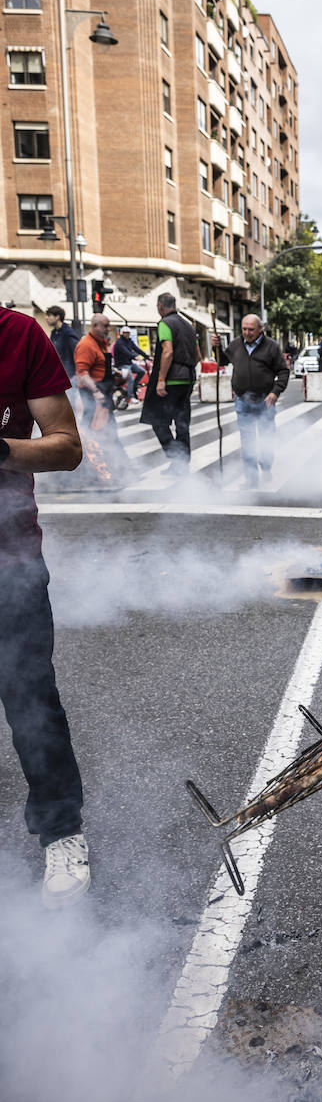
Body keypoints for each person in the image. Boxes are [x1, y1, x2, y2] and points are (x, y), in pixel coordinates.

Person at [0, 307, 89, 906]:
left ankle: (61, 832)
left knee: (31, 698)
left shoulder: (18, 334)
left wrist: (1, 451)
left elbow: (66, 447)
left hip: (10, 563)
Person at [212, 314, 290, 487]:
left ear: (260, 329)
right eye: (244, 329)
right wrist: (216, 347)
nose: (247, 333)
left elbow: (283, 371)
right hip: (243, 400)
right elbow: (222, 361)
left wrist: (275, 392)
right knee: (247, 441)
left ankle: (266, 467)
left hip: (265, 401)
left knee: (266, 438)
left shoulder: (271, 347)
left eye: (251, 330)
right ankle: (251, 478)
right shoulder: (235, 344)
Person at [140, 293, 200, 473]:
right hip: (187, 378)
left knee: (157, 419)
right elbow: (197, 355)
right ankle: (181, 464)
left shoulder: (165, 323)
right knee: (182, 422)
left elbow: (167, 352)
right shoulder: (189, 325)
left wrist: (161, 380)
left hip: (171, 380)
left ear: (160, 306)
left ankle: (177, 457)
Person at [74, 312, 115, 417]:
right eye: (105, 326)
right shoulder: (86, 345)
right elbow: (82, 373)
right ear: (95, 326)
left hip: (104, 392)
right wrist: (95, 391)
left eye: (109, 326)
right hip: (93, 395)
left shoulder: (101, 343)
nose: (108, 329)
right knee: (93, 427)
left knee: (107, 427)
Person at [112, 325, 147, 400]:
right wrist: (134, 357)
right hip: (122, 365)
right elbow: (125, 352)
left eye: (128, 333)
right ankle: (131, 397)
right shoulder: (119, 343)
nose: (127, 334)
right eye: (125, 333)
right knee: (130, 378)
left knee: (142, 371)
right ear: (122, 333)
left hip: (129, 363)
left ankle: (134, 386)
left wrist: (147, 356)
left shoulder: (130, 341)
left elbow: (137, 349)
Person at [46, 306, 80, 382]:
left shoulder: (68, 333)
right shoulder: (54, 333)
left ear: (57, 317)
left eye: (49, 315)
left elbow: (77, 353)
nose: (46, 318)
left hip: (70, 376)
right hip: (59, 375)